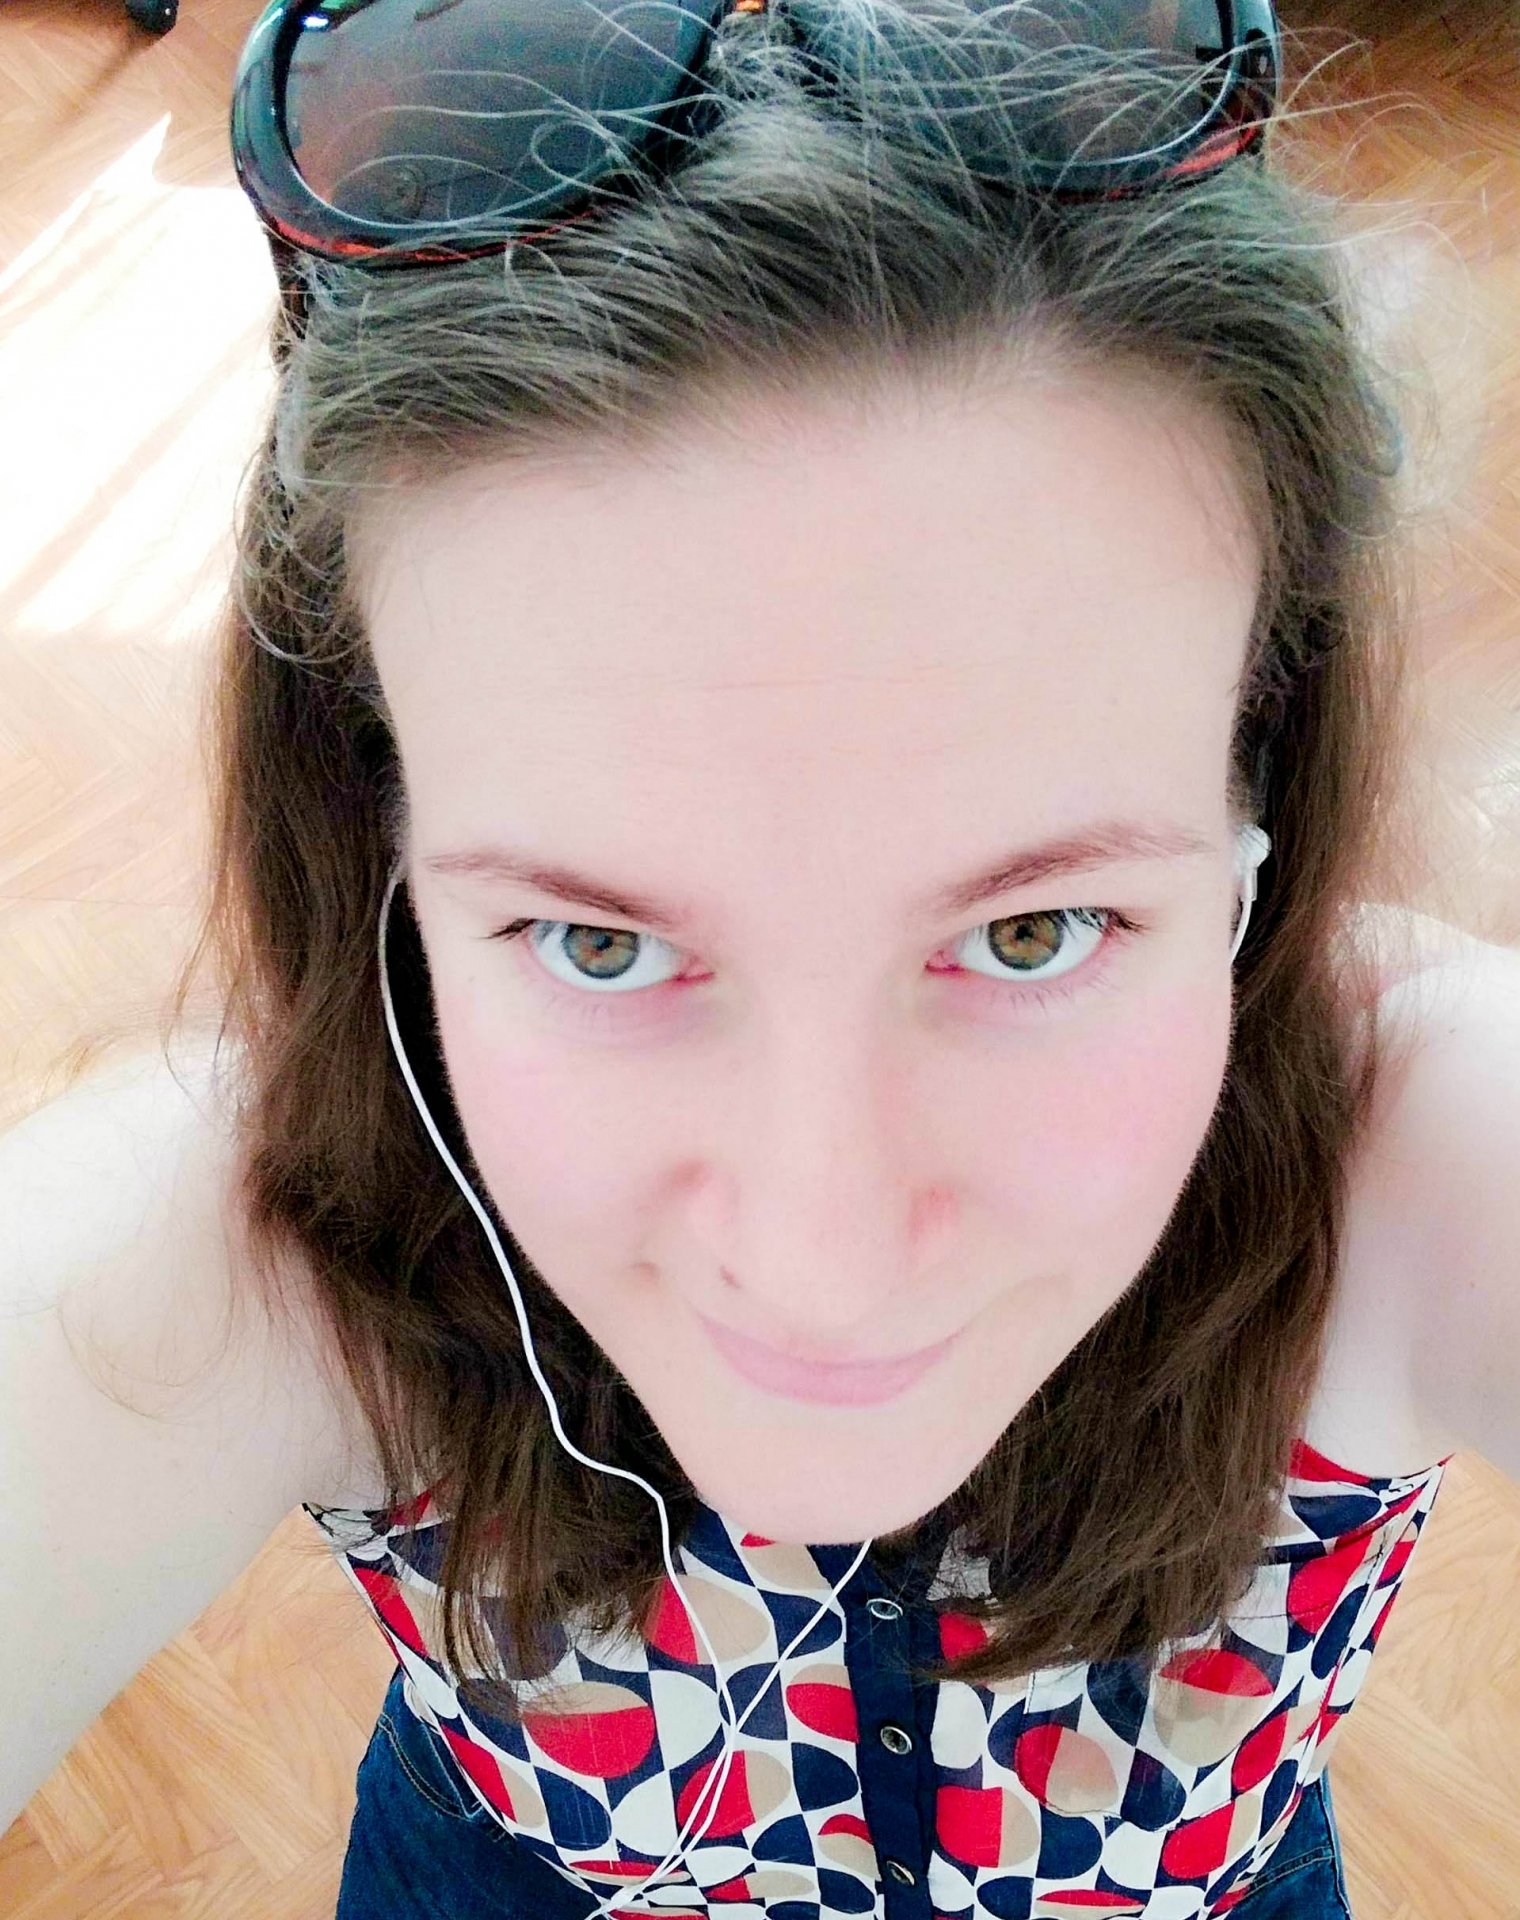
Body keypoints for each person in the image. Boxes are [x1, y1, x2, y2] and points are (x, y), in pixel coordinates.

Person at [5, 0, 1517, 1915]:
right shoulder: (279, 1225)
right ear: (383, 844)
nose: (823, 1264)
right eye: (595, 942)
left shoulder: (1409, 1143)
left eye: (1032, 933)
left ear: (1254, 802)